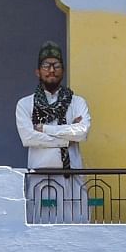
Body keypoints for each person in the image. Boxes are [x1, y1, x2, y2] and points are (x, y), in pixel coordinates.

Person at [16, 41, 91, 223]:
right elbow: (28, 138)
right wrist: (65, 138)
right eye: (46, 66)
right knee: (40, 231)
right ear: (38, 72)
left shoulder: (77, 102)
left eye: (56, 65)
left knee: (77, 229)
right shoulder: (26, 104)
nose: (51, 70)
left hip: (71, 178)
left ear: (63, 71)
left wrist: (45, 129)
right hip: (40, 178)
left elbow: (82, 132)